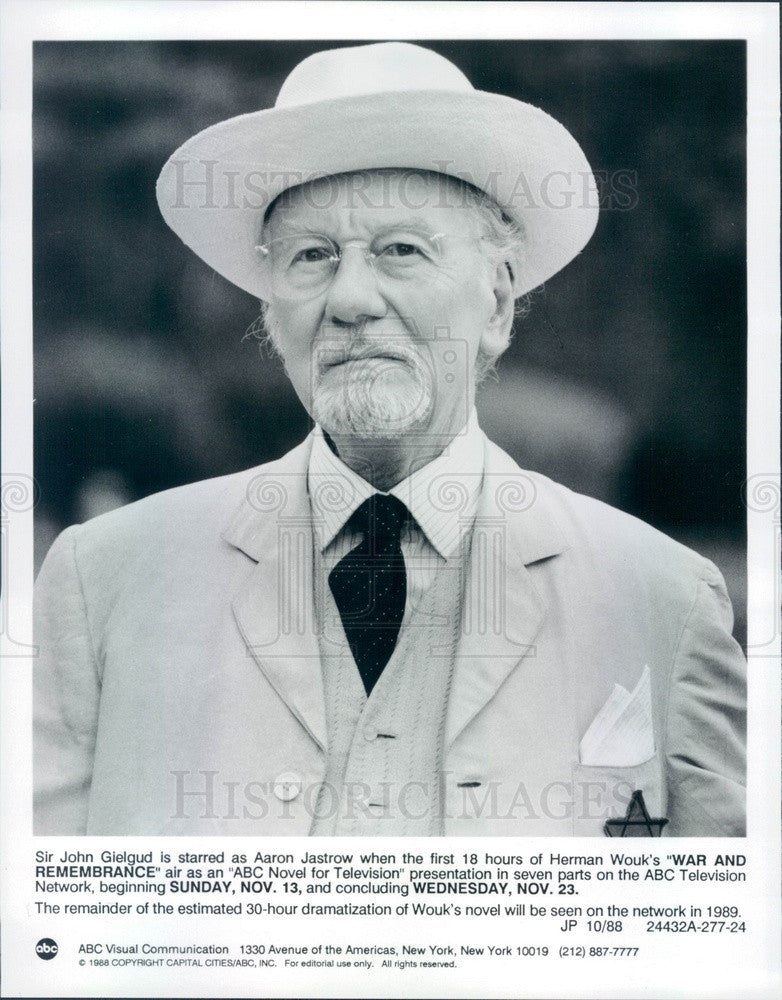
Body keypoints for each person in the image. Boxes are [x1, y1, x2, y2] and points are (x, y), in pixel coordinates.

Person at [34, 42, 745, 836]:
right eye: (312, 256)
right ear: (271, 312)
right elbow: (41, 931)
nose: (350, 299)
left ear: (499, 304)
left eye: (401, 250)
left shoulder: (662, 597)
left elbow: (722, 935)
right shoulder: (106, 582)